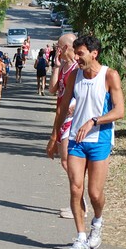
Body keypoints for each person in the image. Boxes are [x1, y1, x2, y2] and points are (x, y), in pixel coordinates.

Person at [49, 35, 124, 249]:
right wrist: (54, 137)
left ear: (94, 53)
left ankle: (97, 225)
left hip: (99, 140)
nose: (77, 58)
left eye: (80, 53)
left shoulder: (109, 76)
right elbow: (63, 107)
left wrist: (94, 120)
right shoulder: (75, 75)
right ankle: (81, 237)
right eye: (76, 53)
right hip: (76, 140)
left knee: (94, 193)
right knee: (75, 187)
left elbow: (120, 111)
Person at [46, 33, 80, 219]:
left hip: (71, 121)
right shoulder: (65, 66)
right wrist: (56, 67)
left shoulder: (77, 68)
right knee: (65, 162)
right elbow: (52, 90)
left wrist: (73, 105)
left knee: (69, 162)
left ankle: (79, 202)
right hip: (61, 118)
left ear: (66, 47)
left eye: (58, 46)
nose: (56, 49)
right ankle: (76, 201)